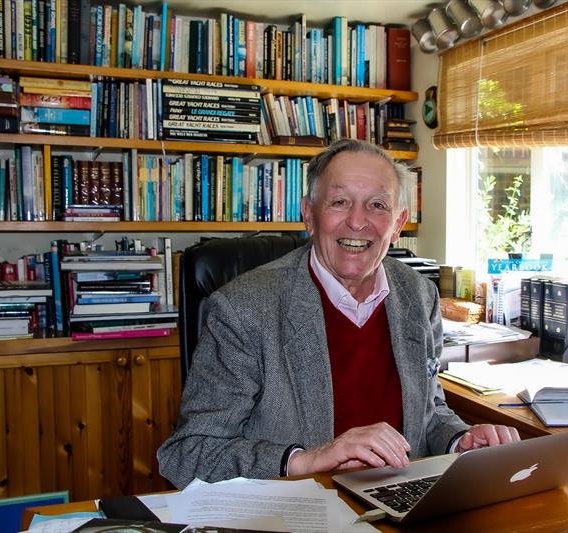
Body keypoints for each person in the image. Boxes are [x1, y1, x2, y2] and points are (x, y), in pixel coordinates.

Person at [158, 139, 520, 487]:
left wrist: (462, 440)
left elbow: (429, 412)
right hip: (294, 510)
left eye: (378, 205)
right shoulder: (244, 308)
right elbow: (190, 453)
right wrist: (307, 459)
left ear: (398, 224)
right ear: (309, 216)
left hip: (397, 502)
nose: (358, 222)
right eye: (340, 202)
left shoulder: (418, 295)